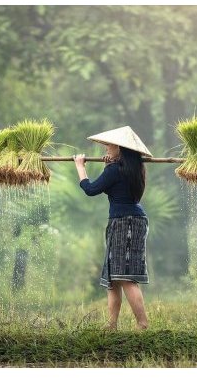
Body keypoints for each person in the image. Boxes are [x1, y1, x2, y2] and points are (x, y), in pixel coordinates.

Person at [73, 126, 153, 331]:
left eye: (109, 145)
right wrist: (110, 165)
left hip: (125, 222)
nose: (106, 148)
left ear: (120, 147)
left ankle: (142, 324)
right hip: (129, 220)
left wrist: (80, 166)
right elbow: (114, 184)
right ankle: (112, 325)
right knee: (113, 278)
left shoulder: (115, 170)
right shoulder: (133, 169)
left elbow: (91, 189)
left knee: (125, 277)